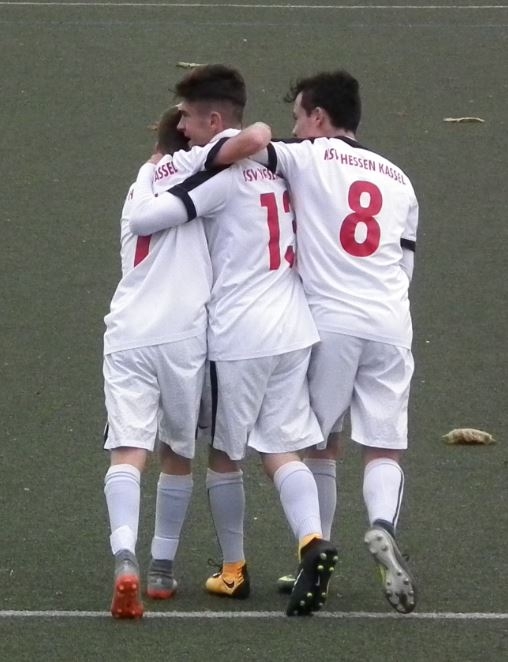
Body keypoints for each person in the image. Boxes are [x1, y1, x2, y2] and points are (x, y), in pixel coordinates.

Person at [129, 64, 338, 617]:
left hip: (239, 332)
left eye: (189, 120)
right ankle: (312, 539)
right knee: (282, 446)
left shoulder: (218, 172)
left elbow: (155, 217)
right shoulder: (276, 171)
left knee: (224, 455)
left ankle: (233, 569)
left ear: (214, 122)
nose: (183, 129)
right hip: (292, 326)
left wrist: (152, 177)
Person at [225, 70, 419, 614]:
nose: (295, 128)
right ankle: (382, 525)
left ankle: (318, 558)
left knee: (316, 444)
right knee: (384, 445)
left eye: (298, 118)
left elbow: (247, 151)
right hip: (391, 322)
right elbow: (405, 264)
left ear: (318, 117)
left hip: (330, 321)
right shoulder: (400, 179)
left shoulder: (305, 156)